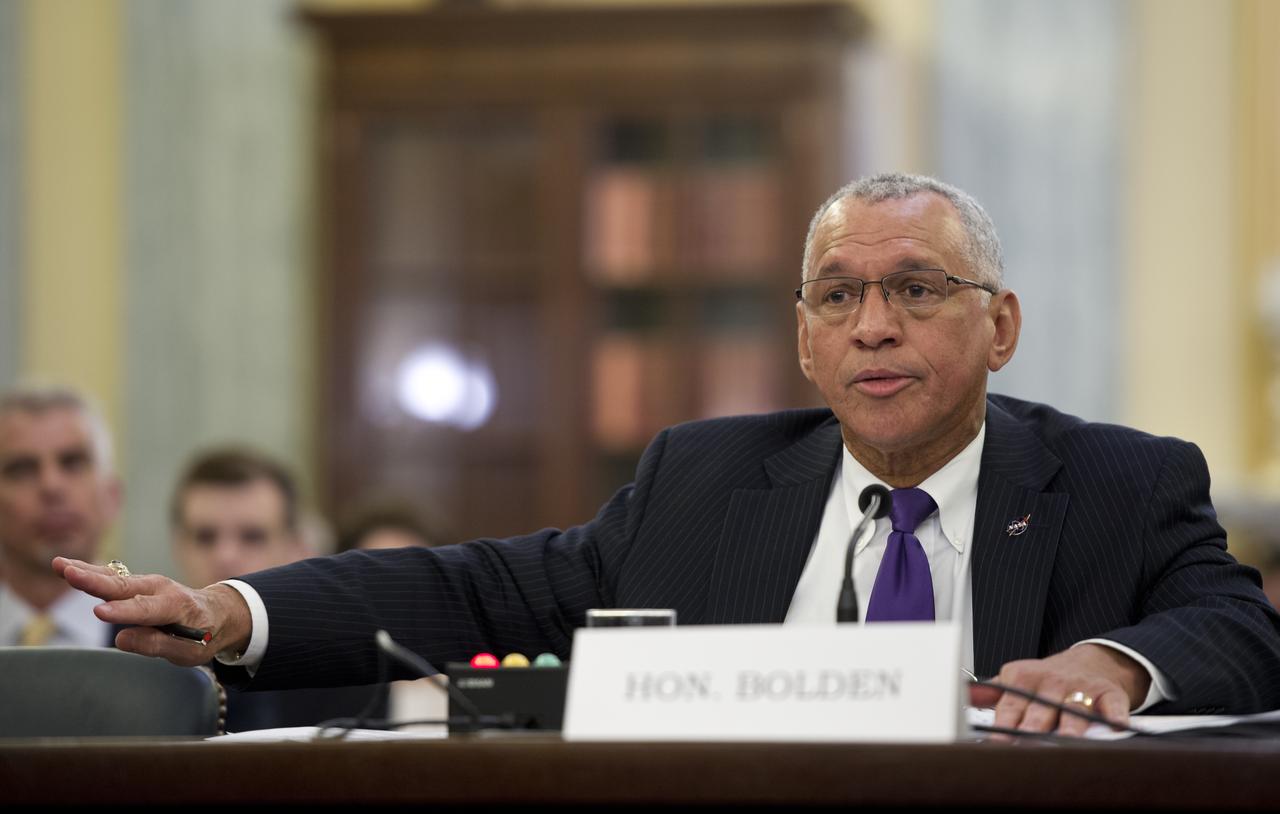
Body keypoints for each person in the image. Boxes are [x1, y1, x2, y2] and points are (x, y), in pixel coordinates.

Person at [57, 172, 1280, 737]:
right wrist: (231, 608)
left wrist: (1113, 662)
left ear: (998, 325)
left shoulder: (1118, 480)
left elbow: (1238, 626)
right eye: (837, 296)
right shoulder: (705, 481)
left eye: (916, 287)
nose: (874, 326)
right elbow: (482, 586)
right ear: (803, 341)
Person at [168, 446, 384, 731]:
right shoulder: (149, 664)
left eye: (252, 537)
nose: (225, 556)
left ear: (296, 548)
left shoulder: (349, 675)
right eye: (205, 537)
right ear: (178, 547)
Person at [0, 385, 121, 647]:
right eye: (22, 469)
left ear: (112, 496)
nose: (51, 486)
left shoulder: (174, 654)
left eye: (73, 462)